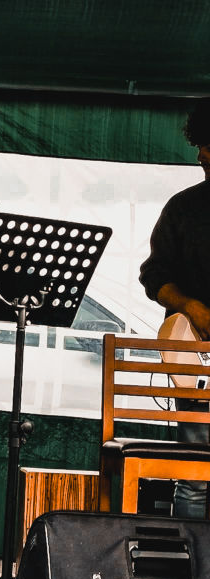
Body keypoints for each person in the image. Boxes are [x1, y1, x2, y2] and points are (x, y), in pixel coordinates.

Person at [139, 98, 210, 518]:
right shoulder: (183, 208)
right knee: (195, 478)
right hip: (196, 368)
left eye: (209, 145)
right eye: (200, 144)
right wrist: (190, 307)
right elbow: (154, 276)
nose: (200, 153)